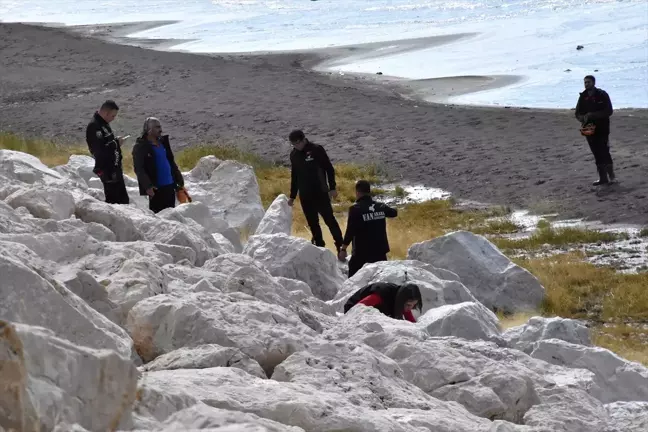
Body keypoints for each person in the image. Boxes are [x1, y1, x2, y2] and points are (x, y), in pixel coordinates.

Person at [287, 130, 344, 253]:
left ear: (303, 139)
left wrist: (332, 187)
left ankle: (340, 246)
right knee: (313, 223)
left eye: (297, 143)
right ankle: (320, 248)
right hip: (305, 195)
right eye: (293, 145)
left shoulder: (316, 149)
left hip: (320, 192)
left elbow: (329, 168)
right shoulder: (294, 155)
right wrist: (292, 196)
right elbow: (294, 176)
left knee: (330, 220)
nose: (296, 146)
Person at [338, 180, 398, 277]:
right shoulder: (380, 206)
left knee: (353, 282)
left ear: (357, 192)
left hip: (361, 254)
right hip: (380, 252)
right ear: (369, 191)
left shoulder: (355, 209)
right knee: (381, 279)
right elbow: (394, 213)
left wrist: (343, 249)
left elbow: (350, 230)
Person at [132, 117, 186, 213]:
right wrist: (148, 186)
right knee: (159, 218)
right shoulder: (141, 146)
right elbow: (139, 168)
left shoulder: (163, 143)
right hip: (156, 189)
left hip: (170, 187)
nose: (160, 130)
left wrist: (178, 178)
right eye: (157, 127)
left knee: (172, 215)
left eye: (160, 126)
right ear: (149, 130)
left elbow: (170, 161)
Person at [85, 100, 129, 204]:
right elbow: (99, 151)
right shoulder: (94, 126)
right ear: (106, 113)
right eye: (113, 116)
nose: (114, 119)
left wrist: (115, 141)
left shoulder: (104, 124)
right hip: (107, 170)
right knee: (115, 201)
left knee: (124, 201)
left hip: (115, 168)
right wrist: (116, 143)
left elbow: (107, 142)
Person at [574, 75, 615, 186]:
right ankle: (602, 178)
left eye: (588, 82)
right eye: (585, 82)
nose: (586, 84)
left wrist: (593, 115)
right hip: (589, 129)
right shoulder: (583, 96)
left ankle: (612, 177)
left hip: (602, 128)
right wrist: (583, 118)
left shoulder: (602, 94)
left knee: (604, 151)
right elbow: (577, 113)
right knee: (596, 153)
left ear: (593, 83)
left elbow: (609, 111)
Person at [344, 282, 422, 323]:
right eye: (408, 305)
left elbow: (409, 319)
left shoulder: (401, 299)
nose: (410, 308)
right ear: (402, 300)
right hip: (352, 309)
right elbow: (358, 307)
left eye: (413, 305)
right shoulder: (380, 296)